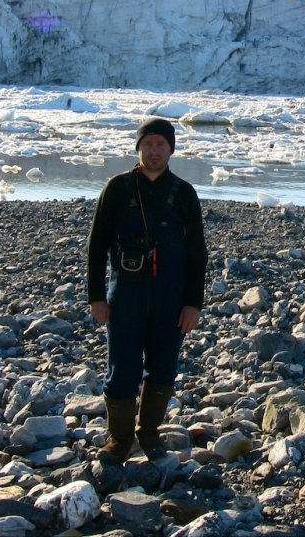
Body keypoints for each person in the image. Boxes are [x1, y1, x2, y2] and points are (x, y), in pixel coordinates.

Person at [87, 117, 208, 464]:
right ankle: (120, 439)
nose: (154, 151)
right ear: (138, 147)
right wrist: (96, 296)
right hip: (124, 293)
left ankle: (150, 434)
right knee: (121, 366)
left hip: (170, 297)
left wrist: (192, 304)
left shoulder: (184, 193)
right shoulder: (117, 188)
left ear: (171, 149)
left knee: (163, 366)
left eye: (161, 144)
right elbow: (97, 246)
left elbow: (197, 253)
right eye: (148, 144)